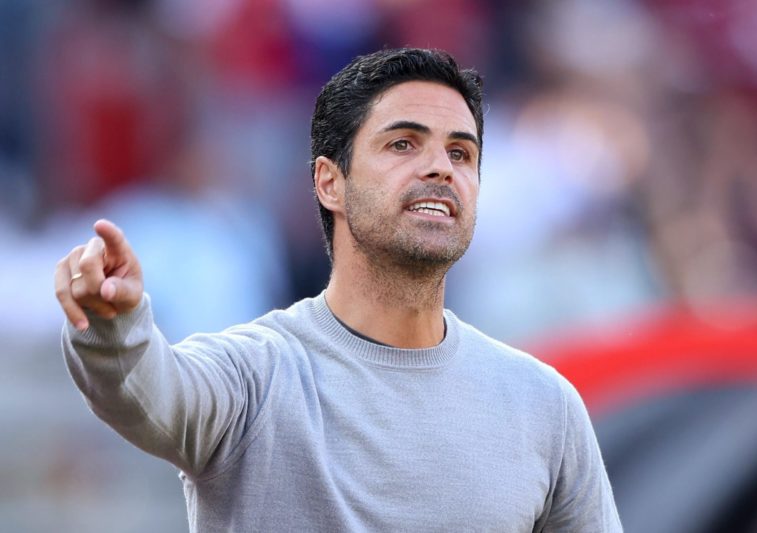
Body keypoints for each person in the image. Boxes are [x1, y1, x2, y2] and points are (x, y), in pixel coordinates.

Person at [55, 48, 623, 532]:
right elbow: (148, 394)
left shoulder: (544, 405)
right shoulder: (255, 375)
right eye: (403, 144)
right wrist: (114, 325)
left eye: (461, 152)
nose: (441, 169)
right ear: (330, 182)